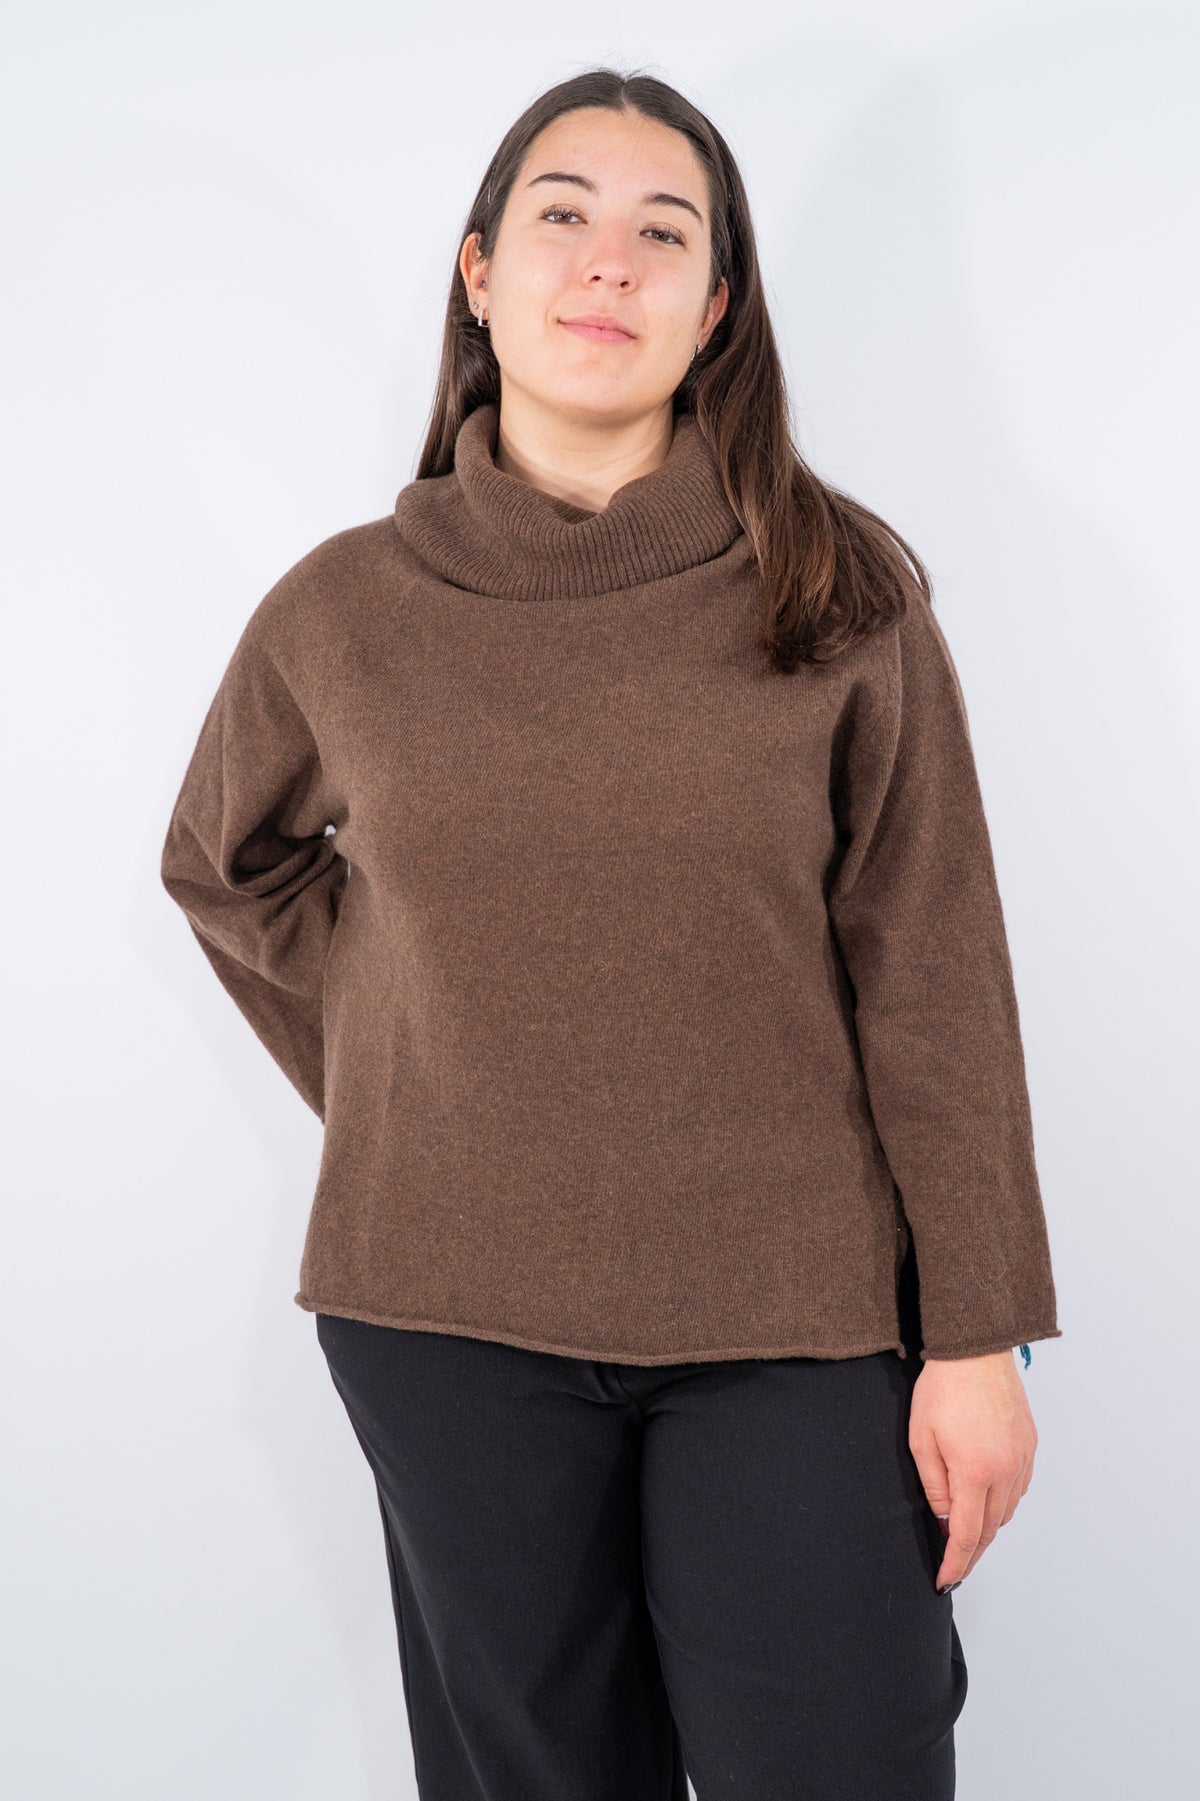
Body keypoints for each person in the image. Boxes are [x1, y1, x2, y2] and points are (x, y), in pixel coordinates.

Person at [159, 66, 1063, 1801]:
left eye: (665, 234)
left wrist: (977, 1332)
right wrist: (426, 1073)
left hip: (799, 1318)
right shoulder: (343, 609)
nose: (607, 264)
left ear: (715, 307)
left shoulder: (836, 590)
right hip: (446, 1315)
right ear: (478, 271)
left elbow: (937, 969)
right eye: (562, 216)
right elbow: (226, 862)